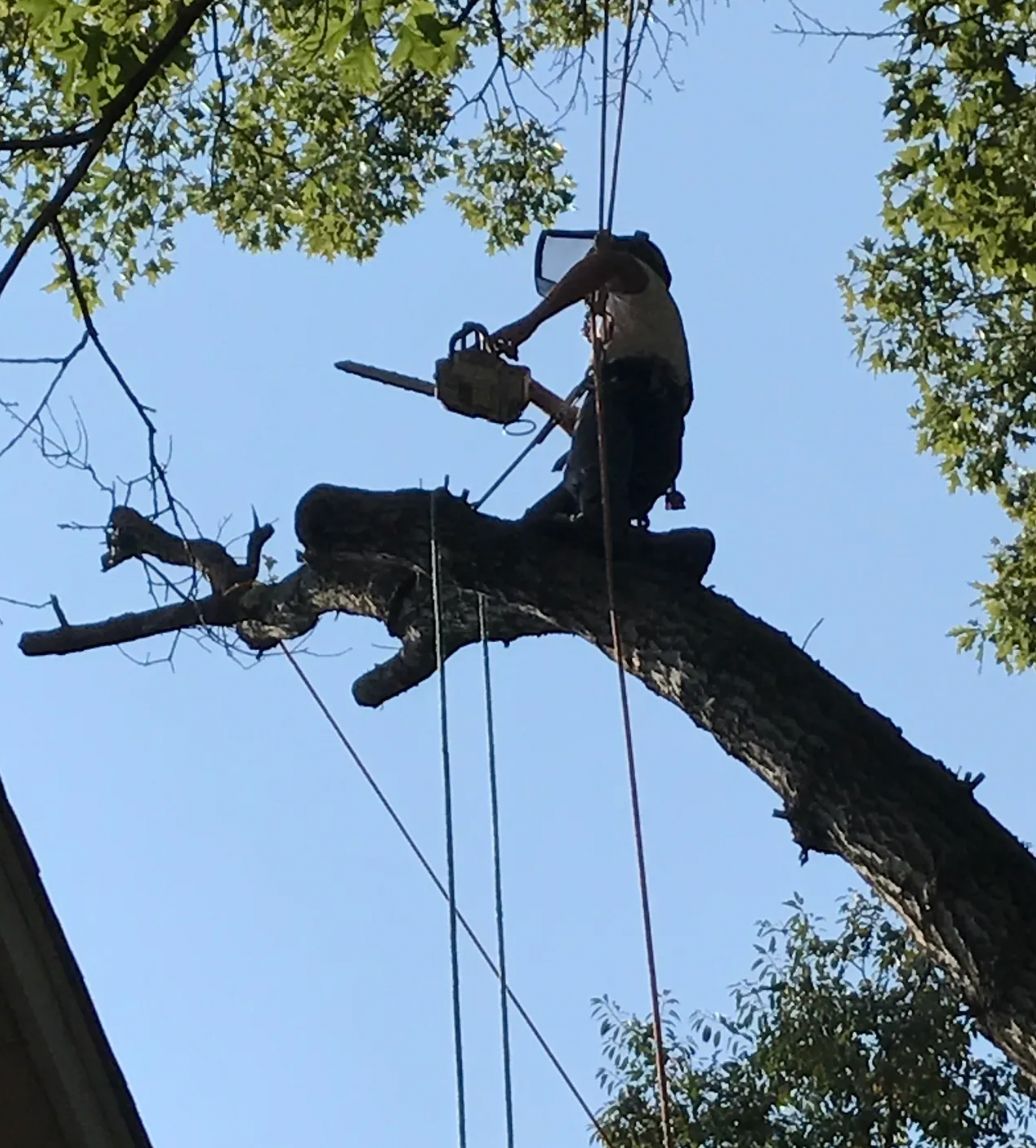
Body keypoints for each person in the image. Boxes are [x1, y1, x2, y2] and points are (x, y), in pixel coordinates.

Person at [490, 232, 692, 549]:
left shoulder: (639, 289)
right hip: (646, 453)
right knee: (536, 529)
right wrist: (532, 391)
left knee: (591, 518)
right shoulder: (634, 341)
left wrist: (529, 323)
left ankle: (603, 528)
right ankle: (668, 551)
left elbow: (606, 265)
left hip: (635, 422)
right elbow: (589, 430)